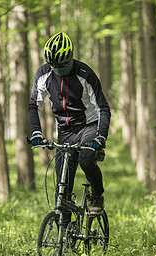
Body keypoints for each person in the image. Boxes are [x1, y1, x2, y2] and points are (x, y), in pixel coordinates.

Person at [28, 32, 111, 226]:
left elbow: (103, 107)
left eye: (63, 66)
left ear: (71, 58)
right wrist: (36, 132)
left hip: (88, 125)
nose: (59, 71)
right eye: (54, 67)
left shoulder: (85, 74)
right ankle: (64, 236)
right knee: (62, 185)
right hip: (65, 130)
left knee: (87, 158)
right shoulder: (43, 74)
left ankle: (97, 195)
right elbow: (34, 105)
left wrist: (100, 137)